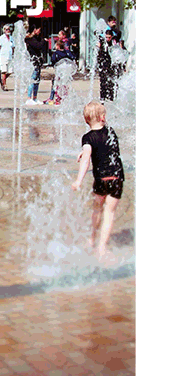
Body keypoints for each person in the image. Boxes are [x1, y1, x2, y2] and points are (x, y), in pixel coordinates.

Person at [71, 101, 124, 258]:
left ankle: (91, 239)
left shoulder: (87, 138)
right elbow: (107, 148)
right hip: (116, 177)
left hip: (101, 179)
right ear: (103, 118)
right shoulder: (111, 132)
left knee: (97, 209)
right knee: (109, 212)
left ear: (86, 120)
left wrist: (79, 180)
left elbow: (86, 161)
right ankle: (102, 247)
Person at [24, 24, 47, 105]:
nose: (39, 32)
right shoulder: (30, 39)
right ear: (34, 30)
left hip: (37, 61)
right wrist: (43, 41)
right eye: (38, 30)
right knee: (32, 79)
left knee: (37, 80)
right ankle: (29, 98)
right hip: (33, 61)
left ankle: (35, 97)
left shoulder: (36, 38)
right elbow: (38, 46)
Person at [0, 25, 14, 91]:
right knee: (4, 71)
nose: (8, 30)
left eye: (9, 29)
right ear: (4, 30)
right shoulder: (1, 38)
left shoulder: (11, 38)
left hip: (10, 57)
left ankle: (3, 80)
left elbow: (13, 47)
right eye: (6, 29)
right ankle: (4, 85)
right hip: (3, 57)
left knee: (10, 71)